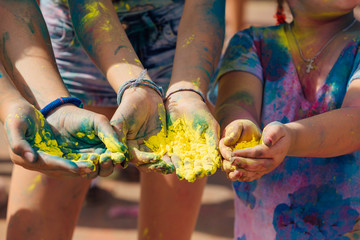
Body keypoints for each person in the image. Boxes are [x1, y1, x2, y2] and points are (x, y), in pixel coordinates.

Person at [7, 0, 226, 240]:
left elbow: (205, 5)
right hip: (70, 40)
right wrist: (52, 106)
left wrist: (187, 93)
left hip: (182, 42)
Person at [215, 0, 360, 239]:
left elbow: (356, 120)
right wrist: (239, 129)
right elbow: (236, 103)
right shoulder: (250, 44)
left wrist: (291, 138)